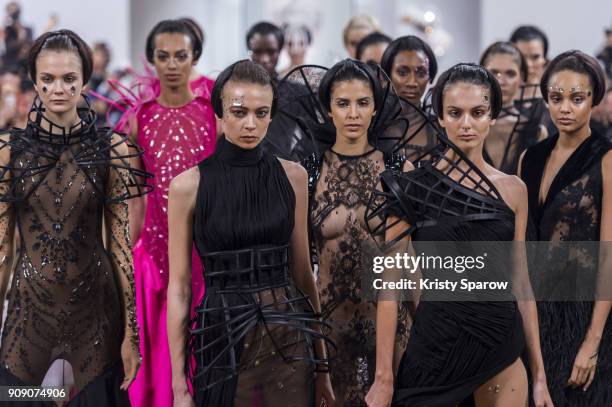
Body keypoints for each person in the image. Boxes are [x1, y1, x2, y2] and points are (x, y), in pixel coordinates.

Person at [365, 63, 553, 407]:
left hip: (500, 345)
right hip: (435, 343)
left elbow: (522, 284)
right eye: (455, 112)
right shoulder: (411, 188)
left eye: (477, 112)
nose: (466, 124)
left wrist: (540, 375)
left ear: (492, 116)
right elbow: (390, 285)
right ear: (440, 117)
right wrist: (383, 377)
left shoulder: (514, 190)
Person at [167, 59, 334, 407]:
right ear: (219, 111)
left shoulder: (294, 176)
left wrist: (322, 369)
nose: (250, 124)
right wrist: (179, 387)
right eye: (239, 111)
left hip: (289, 339)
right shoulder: (187, 186)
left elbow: (304, 275)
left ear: (272, 114)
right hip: (220, 339)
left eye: (261, 113)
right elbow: (180, 289)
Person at [0, 29, 151, 405]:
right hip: (27, 314)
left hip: (96, 316)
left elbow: (120, 246)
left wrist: (131, 333)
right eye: (48, 79)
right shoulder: (9, 152)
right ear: (34, 81)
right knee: (18, 398)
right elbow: (1, 249)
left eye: (69, 79)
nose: (58, 89)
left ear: (84, 79)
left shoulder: (110, 149)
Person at [299, 59, 411, 404]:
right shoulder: (308, 170)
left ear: (375, 108)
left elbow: (403, 265)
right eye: (343, 103)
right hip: (329, 326)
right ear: (328, 109)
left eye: (362, 103)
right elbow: (301, 262)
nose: (353, 113)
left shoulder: (397, 168)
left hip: (390, 326)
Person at [125, 19, 217, 407]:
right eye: (163, 56)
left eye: (181, 55)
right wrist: (126, 256)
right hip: (153, 254)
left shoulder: (213, 112)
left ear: (194, 57)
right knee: (156, 370)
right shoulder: (138, 119)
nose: (173, 64)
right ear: (152, 61)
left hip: (205, 253)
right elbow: (135, 197)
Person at [518, 50, 612, 406]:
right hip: (531, 312)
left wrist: (593, 341)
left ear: (594, 99)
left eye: (577, 98)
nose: (565, 108)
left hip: (584, 311)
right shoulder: (531, 157)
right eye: (556, 98)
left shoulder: (606, 159)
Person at [480, 41, 547, 174]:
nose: (501, 81)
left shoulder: (536, 131)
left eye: (510, 74)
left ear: (521, 77)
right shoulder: (468, 126)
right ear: (482, 74)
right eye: (494, 72)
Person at [380, 35, 440, 161]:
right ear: (387, 75)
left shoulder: (440, 130)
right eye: (402, 72)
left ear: (430, 76)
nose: (412, 82)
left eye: (421, 73)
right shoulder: (372, 126)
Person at [510, 25, 549, 100]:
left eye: (535, 57)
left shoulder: (554, 98)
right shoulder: (497, 99)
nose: (528, 64)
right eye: (521, 57)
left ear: (544, 59)